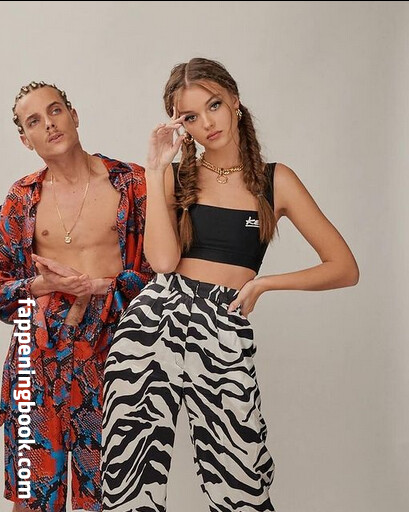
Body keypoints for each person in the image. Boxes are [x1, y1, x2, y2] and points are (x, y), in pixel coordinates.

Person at [101, 57, 359, 512]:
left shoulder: (276, 181)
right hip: (153, 324)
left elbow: (343, 267)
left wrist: (265, 284)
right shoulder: (177, 177)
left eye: (214, 105)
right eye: (191, 117)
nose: (208, 123)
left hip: (223, 327)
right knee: (130, 484)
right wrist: (155, 170)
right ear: (182, 127)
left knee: (242, 484)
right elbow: (162, 262)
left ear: (235, 101)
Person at [0, 81, 154, 512]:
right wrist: (42, 286)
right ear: (25, 139)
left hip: (110, 354)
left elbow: (162, 270)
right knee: (32, 497)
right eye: (35, 121)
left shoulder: (131, 184)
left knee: (105, 496)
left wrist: (101, 287)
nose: (49, 124)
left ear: (74, 114)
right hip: (37, 360)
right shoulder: (22, 198)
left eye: (55, 111)